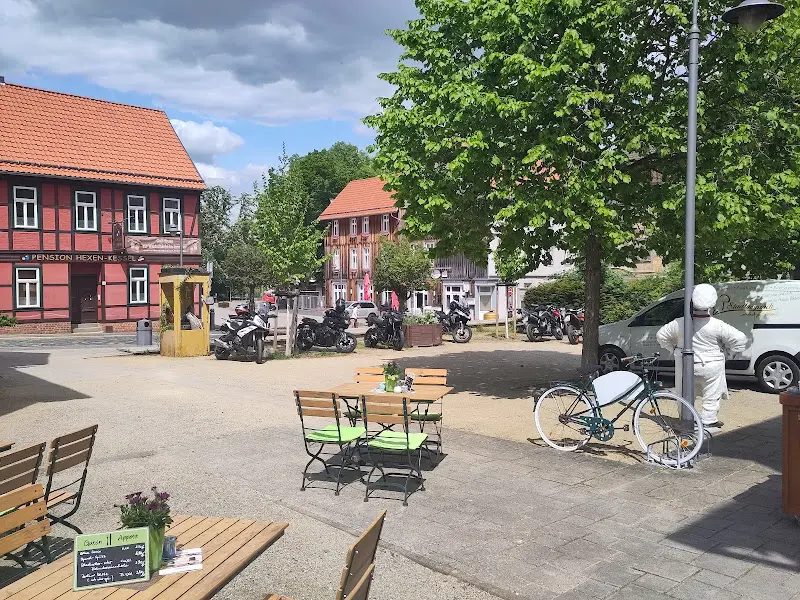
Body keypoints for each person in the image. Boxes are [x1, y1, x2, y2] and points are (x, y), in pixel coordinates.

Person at [656, 284, 747, 431]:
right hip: (712, 365)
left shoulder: (680, 322)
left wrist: (673, 349)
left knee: (685, 394)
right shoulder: (717, 325)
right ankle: (708, 420)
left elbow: (661, 335)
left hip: (686, 365)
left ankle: (686, 420)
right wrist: (729, 354)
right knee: (712, 394)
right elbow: (740, 339)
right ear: (713, 302)